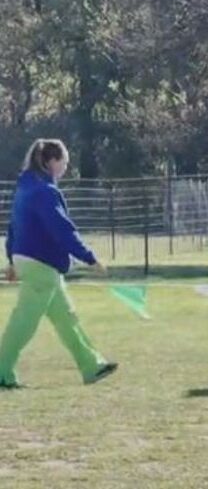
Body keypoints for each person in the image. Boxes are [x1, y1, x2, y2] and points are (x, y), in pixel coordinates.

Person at [1, 139, 117, 389]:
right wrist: (89, 257)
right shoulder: (45, 192)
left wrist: (11, 258)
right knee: (24, 322)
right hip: (40, 263)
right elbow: (62, 229)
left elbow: (13, 226)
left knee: (67, 319)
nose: (65, 166)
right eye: (63, 161)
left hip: (32, 261)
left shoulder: (26, 188)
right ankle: (2, 372)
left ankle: (91, 366)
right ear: (50, 162)